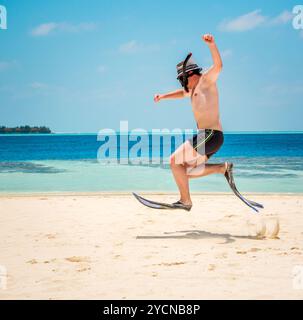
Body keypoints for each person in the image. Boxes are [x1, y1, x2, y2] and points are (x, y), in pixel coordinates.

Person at [154, 34, 232, 211]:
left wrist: (212, 45)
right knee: (185, 171)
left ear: (190, 74)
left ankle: (185, 201)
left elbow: (219, 66)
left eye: (183, 79)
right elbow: (181, 94)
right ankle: (222, 168)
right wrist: (163, 96)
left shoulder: (205, 81)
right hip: (210, 138)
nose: (183, 83)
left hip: (210, 134)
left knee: (174, 160)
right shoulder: (193, 89)